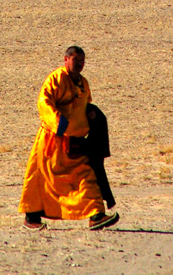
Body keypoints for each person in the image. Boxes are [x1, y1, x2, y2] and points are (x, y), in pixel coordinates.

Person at [18, 45, 119, 231]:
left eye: (82, 60)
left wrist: (92, 116)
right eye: (75, 60)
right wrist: (58, 123)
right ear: (66, 60)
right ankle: (31, 217)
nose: (79, 64)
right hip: (51, 143)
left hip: (75, 143)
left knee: (85, 175)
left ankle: (96, 215)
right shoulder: (55, 79)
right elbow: (44, 102)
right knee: (42, 180)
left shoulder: (83, 83)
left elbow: (84, 104)